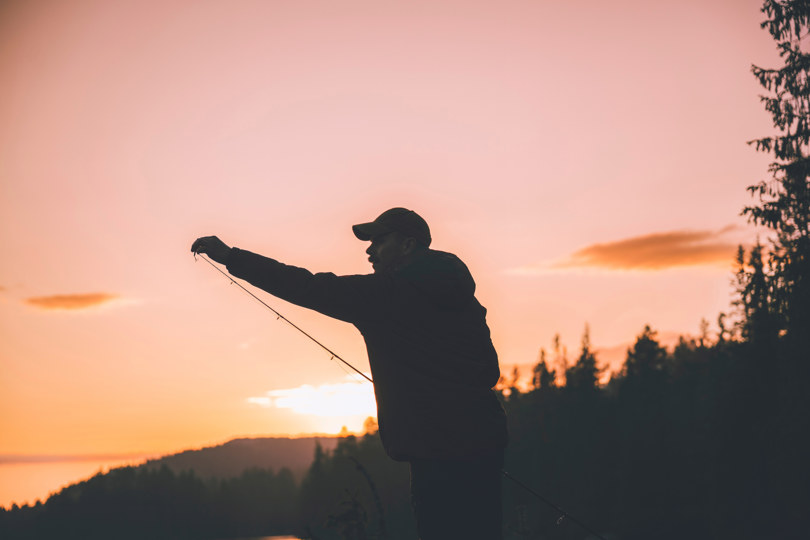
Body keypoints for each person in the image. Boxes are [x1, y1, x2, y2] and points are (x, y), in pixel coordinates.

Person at [192, 207, 508, 539]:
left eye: (379, 241)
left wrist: (231, 257)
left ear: (408, 245)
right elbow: (488, 369)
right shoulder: (465, 299)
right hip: (484, 445)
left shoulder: (384, 293)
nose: (369, 250)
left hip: (435, 456)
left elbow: (305, 286)